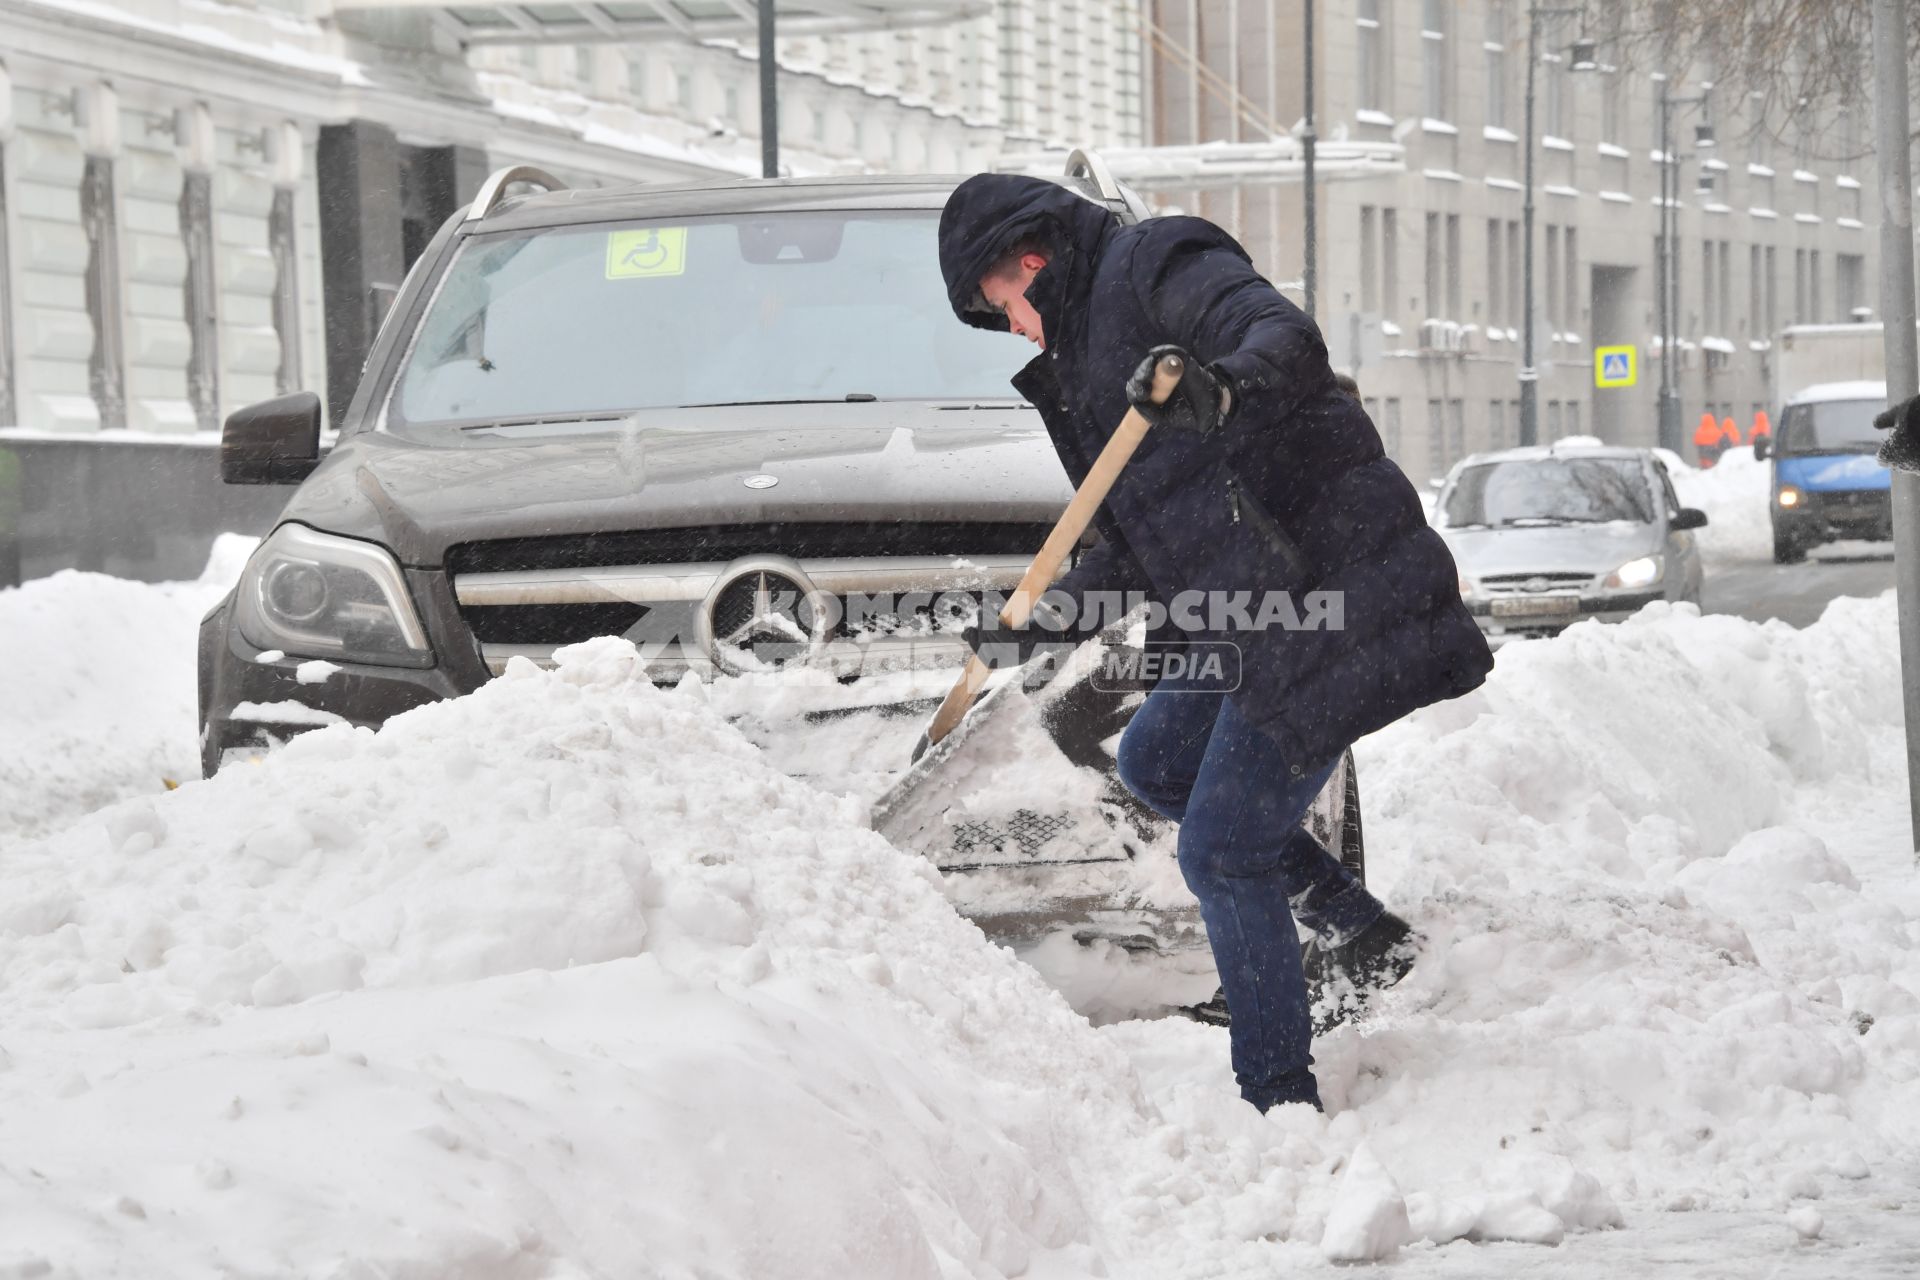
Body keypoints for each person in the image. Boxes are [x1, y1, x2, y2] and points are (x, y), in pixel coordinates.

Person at [937, 174, 1493, 1113]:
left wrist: (1222, 389)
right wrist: (1043, 618)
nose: (1018, 331)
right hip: (1252, 615)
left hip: (1330, 586)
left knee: (1223, 850)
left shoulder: (1157, 261)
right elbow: (1135, 542)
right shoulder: (1082, 366)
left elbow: (1284, 338)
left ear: (1029, 260)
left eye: (1006, 308)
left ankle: (1276, 1098)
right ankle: (1359, 935)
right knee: (1158, 757)